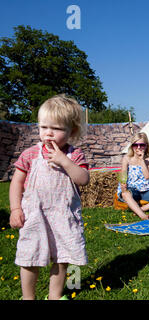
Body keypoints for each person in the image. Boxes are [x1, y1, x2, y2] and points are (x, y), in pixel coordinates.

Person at [9, 94, 90, 300]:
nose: (49, 133)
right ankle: (28, 297)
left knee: (62, 257)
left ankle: (55, 296)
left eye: (57, 128)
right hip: (34, 216)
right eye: (44, 127)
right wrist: (16, 209)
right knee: (29, 258)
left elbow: (83, 179)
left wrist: (64, 161)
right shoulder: (30, 154)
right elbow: (16, 182)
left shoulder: (75, 155)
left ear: (71, 131)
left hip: (63, 216)